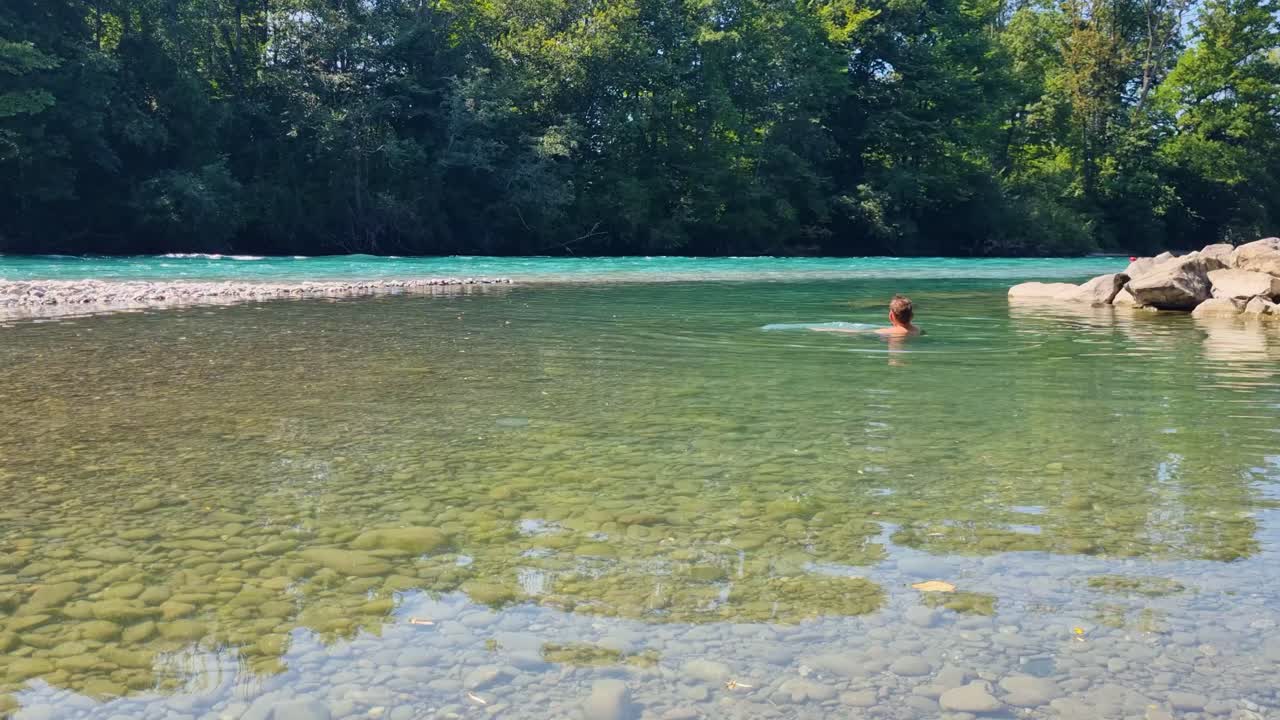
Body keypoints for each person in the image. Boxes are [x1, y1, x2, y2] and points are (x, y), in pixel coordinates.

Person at [811, 294, 923, 336]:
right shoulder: (918, 330)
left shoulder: (886, 332)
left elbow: (858, 332)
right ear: (912, 316)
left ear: (891, 316)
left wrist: (826, 329)